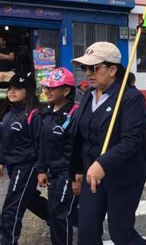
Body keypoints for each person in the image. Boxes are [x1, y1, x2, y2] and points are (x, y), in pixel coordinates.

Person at [70, 42, 146, 245]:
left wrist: (102, 163)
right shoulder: (88, 95)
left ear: (113, 69)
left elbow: (131, 141)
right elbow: (81, 135)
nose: (88, 73)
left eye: (94, 68)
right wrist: (78, 170)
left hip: (123, 175)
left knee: (121, 234)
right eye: (84, 68)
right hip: (92, 176)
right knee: (86, 233)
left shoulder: (131, 98)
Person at [0, 72, 49, 245]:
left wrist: (42, 170)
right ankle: (63, 217)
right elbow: (4, 140)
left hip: (27, 166)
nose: (12, 92)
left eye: (17, 88)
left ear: (28, 91)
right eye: (10, 88)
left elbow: (41, 146)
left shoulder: (34, 115)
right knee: (30, 200)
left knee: (11, 210)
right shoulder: (7, 112)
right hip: (12, 166)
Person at [36, 68, 79, 245]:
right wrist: (41, 170)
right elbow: (43, 145)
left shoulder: (76, 113)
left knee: (59, 213)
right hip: (53, 173)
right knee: (55, 213)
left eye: (52, 88)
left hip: (68, 173)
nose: (47, 91)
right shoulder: (47, 112)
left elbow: (79, 148)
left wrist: (77, 175)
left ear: (66, 91)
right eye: (46, 87)